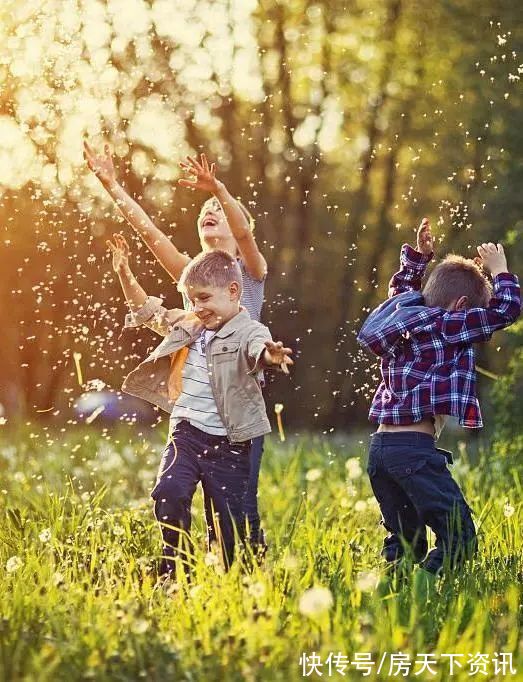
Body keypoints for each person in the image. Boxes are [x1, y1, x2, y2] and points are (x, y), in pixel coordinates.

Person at [84, 143, 268, 553]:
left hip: (237, 416)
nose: (209, 211)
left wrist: (219, 188)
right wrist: (113, 185)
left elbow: (244, 232)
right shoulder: (191, 276)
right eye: (205, 209)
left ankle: (247, 573)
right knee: (176, 489)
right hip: (194, 411)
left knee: (239, 512)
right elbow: (150, 233)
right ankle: (181, 566)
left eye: (219, 210)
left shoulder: (250, 272)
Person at [106, 235, 292, 575]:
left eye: (205, 298)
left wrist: (269, 354)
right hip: (187, 433)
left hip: (231, 445)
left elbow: (256, 347)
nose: (198, 307)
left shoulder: (250, 330)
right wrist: (124, 273)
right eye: (192, 300)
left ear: (233, 292)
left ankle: (232, 575)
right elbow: (148, 311)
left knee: (227, 527)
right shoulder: (190, 325)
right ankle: (173, 566)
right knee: (169, 490)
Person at [357, 218, 520, 577]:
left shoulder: (404, 323)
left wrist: (417, 260)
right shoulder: (449, 324)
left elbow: (400, 293)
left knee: (405, 541)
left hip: (380, 453)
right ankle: (425, 591)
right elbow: (506, 310)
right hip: (414, 452)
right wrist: (500, 271)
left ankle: (391, 599)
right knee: (459, 537)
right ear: (462, 305)